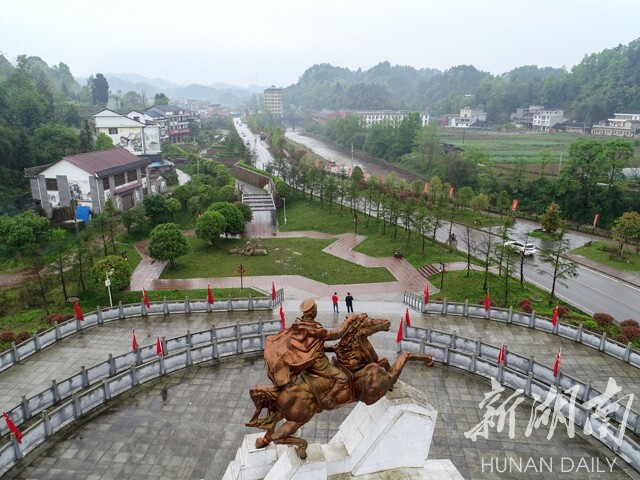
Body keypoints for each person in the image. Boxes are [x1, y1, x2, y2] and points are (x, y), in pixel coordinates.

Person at [264, 298, 354, 409]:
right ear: (312, 313)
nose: (316, 310)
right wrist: (349, 320)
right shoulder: (314, 329)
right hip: (318, 364)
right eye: (315, 309)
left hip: (308, 361)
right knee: (343, 377)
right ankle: (328, 397)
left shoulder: (299, 323)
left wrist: (330, 348)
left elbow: (310, 345)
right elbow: (336, 334)